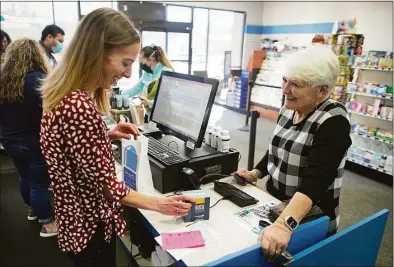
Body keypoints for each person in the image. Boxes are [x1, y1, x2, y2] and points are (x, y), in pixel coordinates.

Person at [39, 8, 192, 267]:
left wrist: (103, 134)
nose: (129, 73)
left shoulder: (66, 95)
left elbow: (68, 146)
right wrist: (160, 204)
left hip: (72, 219)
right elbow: (110, 188)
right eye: (125, 63)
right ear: (98, 52)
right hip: (89, 226)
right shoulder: (78, 106)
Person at [236, 45, 351, 262]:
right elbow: (277, 148)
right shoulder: (290, 108)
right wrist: (255, 174)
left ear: (322, 91)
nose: (285, 89)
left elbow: (316, 181)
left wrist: (284, 225)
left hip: (308, 218)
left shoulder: (334, 122)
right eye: (285, 80)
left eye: (295, 84)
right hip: (276, 209)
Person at [0, 38, 57, 237]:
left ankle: (33, 209)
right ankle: (48, 224)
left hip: (8, 140)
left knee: (24, 177)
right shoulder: (40, 80)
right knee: (39, 184)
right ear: (36, 55)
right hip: (34, 141)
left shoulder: (3, 80)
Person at [121, 45, 174, 120]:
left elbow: (165, 100)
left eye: (142, 62)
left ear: (151, 59)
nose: (141, 65)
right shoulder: (148, 72)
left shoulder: (167, 72)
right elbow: (136, 88)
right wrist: (119, 94)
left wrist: (149, 103)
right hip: (149, 115)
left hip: (162, 117)